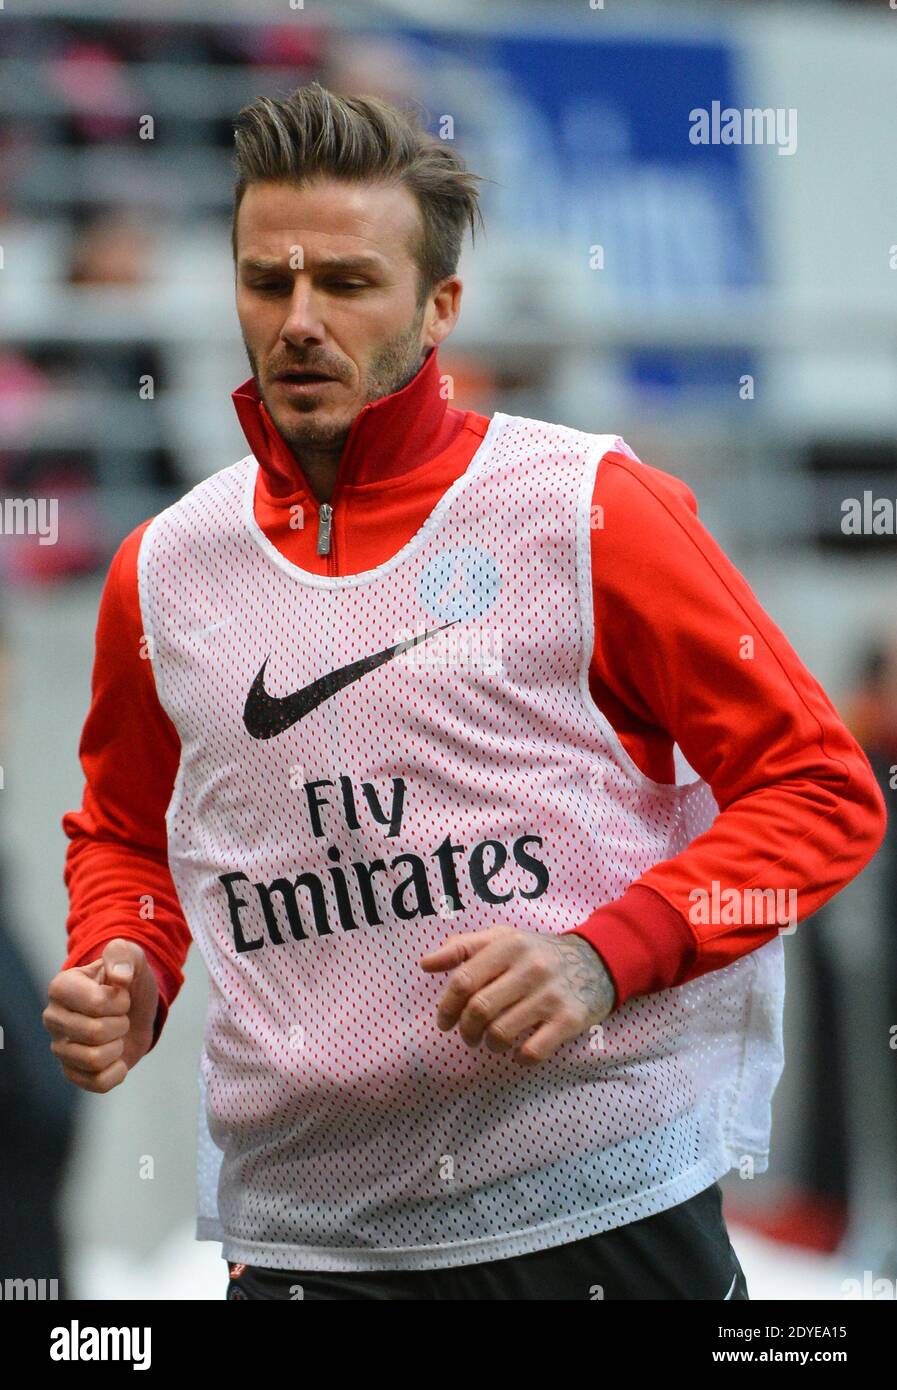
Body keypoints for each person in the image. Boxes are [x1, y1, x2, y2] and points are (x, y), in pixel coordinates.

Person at [45, 82, 886, 1301]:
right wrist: (125, 956)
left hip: (601, 1210)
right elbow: (123, 830)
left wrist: (606, 956)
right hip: (311, 1240)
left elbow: (822, 789)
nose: (296, 320)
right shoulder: (163, 569)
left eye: (344, 282)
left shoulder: (589, 508)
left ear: (441, 305)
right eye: (264, 280)